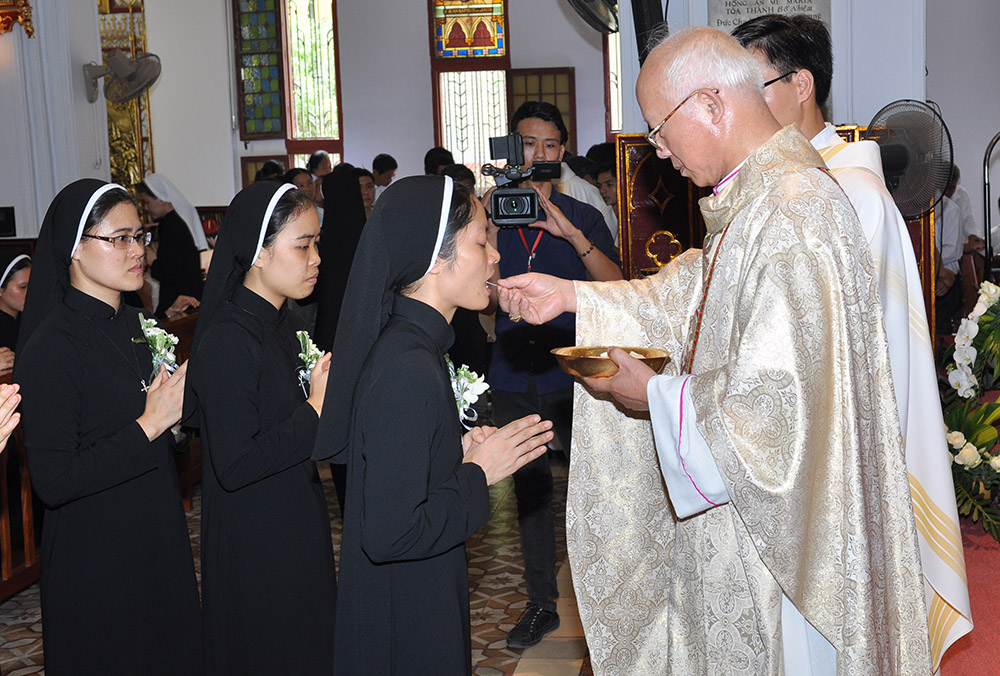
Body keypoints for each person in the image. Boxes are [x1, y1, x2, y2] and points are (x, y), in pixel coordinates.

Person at [498, 27, 931, 674]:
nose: (659, 149)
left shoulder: (792, 213)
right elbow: (688, 295)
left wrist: (652, 395)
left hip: (780, 561)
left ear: (711, 102)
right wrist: (571, 298)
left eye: (659, 128)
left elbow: (776, 420)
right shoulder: (762, 200)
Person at [733, 13, 972, 667]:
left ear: (801, 84)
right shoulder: (788, 185)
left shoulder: (851, 196)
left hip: (839, 473)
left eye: (748, 87)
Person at [313, 175, 553, 675]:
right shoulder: (406, 364)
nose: (495, 255)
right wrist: (477, 474)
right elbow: (390, 534)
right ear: (435, 259)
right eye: (481, 240)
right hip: (406, 620)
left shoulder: (414, 346)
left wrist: (455, 453)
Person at [14, 179, 201, 674]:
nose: (137, 250)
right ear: (75, 249)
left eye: (140, 235)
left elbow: (164, 432)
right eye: (119, 238)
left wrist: (178, 421)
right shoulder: (52, 346)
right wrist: (151, 424)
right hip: (96, 557)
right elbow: (54, 480)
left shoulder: (138, 325)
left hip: (155, 534)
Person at [487, 100, 622, 650]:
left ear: (562, 153)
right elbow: (475, 301)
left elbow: (616, 286)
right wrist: (486, 232)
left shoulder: (582, 214)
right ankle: (541, 603)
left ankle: (611, 601)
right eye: (526, 144)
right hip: (515, 371)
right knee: (533, 491)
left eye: (548, 145)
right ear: (511, 149)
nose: (537, 155)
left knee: (597, 487)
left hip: (576, 374)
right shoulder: (492, 214)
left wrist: (569, 234)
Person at [187, 181, 336, 674]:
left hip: (294, 520)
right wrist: (314, 412)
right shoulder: (228, 340)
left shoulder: (282, 324)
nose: (316, 258)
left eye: (317, 243)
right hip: (257, 542)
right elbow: (235, 462)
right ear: (258, 252)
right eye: (303, 245)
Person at [135, 174, 207, 317]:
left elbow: (171, 273)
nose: (146, 208)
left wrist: (152, 261)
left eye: (147, 202)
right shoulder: (171, 222)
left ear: (160, 199)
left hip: (181, 299)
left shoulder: (173, 226)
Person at [0, 252, 30, 368]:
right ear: (1, 290)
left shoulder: (31, 321)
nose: (30, 293)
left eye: (32, 286)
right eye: (23, 287)